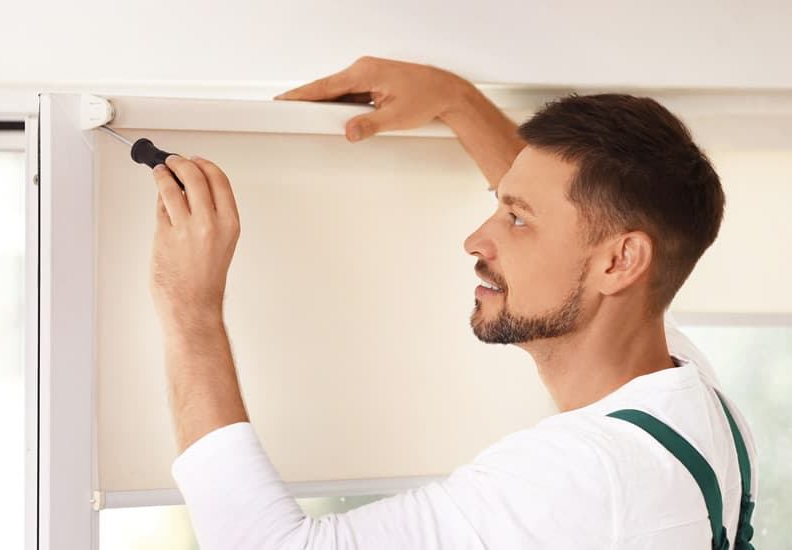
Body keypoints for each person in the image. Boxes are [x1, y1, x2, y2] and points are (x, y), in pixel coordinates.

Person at [147, 56, 758, 549]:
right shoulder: (696, 408)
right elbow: (580, 235)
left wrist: (189, 306)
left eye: (515, 219)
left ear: (620, 262)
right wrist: (455, 102)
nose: (475, 239)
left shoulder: (583, 475)